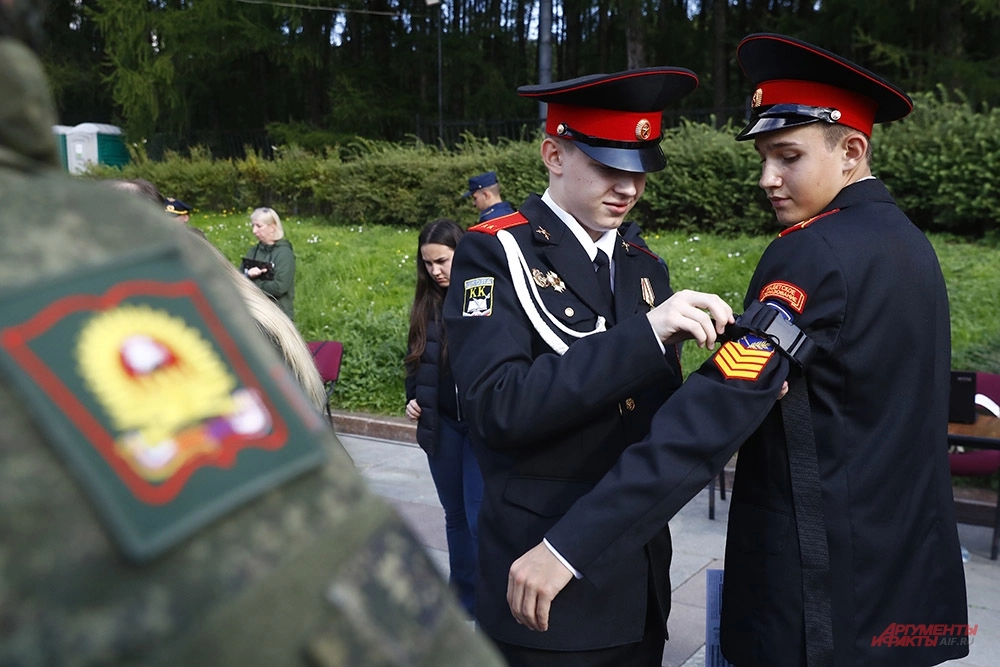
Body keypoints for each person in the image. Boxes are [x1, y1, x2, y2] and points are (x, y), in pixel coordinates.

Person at [0, 4, 506, 665]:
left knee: (471, 530)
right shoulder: (122, 259)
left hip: (462, 426)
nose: (438, 270)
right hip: (437, 425)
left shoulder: (97, 262)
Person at [505, 33, 970, 667]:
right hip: (902, 588)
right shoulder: (908, 245)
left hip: (818, 599)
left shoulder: (813, 250)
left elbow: (716, 409)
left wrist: (569, 546)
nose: (766, 179)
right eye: (763, 156)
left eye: (787, 156)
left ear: (851, 150)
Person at [442, 67, 734, 666]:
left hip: (638, 572)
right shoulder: (494, 251)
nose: (628, 187)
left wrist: (735, 377)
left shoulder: (643, 265)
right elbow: (498, 409)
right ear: (554, 153)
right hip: (544, 579)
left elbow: (649, 416)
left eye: (640, 170)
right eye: (608, 166)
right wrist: (645, 335)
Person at [404, 218, 485, 619]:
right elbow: (416, 356)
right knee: (455, 516)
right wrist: (412, 398)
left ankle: (491, 601)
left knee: (477, 517)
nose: (436, 271)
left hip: (481, 427)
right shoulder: (426, 300)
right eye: (428, 264)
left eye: (443, 261)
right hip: (442, 426)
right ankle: (463, 601)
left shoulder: (483, 291)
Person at [243, 206, 296, 321]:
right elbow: (238, 279)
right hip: (254, 313)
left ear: (272, 227)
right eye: (253, 226)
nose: (254, 231)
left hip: (278, 316)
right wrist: (248, 276)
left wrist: (252, 284)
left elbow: (280, 287)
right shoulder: (253, 251)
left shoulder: (284, 253)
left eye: (259, 226)